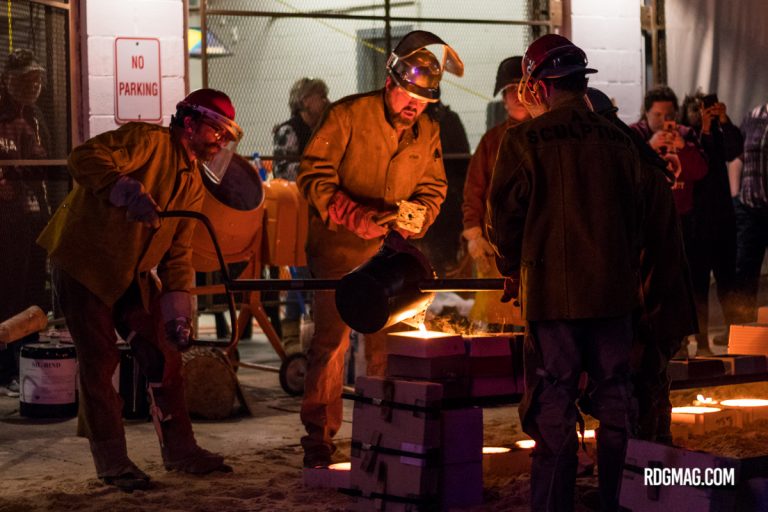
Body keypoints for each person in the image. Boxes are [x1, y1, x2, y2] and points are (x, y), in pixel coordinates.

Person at [36, 88, 240, 491]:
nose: (219, 142)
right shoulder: (146, 143)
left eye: (224, 135)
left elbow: (178, 254)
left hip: (132, 273)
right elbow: (82, 158)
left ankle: (181, 450)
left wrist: (177, 314)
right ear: (189, 123)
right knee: (100, 362)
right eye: (216, 131)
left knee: (164, 355)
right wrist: (126, 189)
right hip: (86, 262)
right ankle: (113, 462)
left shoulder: (192, 182)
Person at [487, 35, 642, 511]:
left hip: (552, 296)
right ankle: (621, 499)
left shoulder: (521, 139)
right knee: (617, 403)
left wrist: (511, 267)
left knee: (552, 406)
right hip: (614, 295)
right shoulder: (620, 139)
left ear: (537, 86)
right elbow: (638, 214)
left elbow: (503, 219)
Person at [296, 30, 462, 468]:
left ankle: (381, 432)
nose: (415, 108)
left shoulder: (427, 130)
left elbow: (434, 186)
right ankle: (318, 438)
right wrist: (355, 216)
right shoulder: (347, 115)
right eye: (409, 98)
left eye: (423, 102)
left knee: (389, 345)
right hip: (339, 249)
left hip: (390, 252)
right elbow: (313, 177)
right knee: (331, 343)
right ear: (390, 84)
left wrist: (419, 215)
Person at [588, 88, 697, 445]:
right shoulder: (638, 160)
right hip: (659, 305)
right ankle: (649, 475)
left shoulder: (632, 171)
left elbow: (630, 248)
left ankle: (642, 479)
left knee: (640, 394)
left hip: (651, 306)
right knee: (650, 391)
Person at [461, 56, 530, 331]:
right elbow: (473, 189)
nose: (518, 96)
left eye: (522, 87)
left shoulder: (545, 137)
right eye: (511, 90)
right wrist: (474, 234)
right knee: (496, 323)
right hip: (494, 250)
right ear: (503, 99)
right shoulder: (492, 141)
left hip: (534, 246)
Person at [0, 49, 52, 393]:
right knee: (7, 292)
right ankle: (4, 371)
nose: (32, 86)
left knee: (33, 293)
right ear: (8, 82)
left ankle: (27, 366)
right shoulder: (2, 117)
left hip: (34, 219)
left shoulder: (36, 118)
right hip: (6, 223)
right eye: (25, 80)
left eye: (36, 80)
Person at [679, 92, 743, 350]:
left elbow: (735, 150)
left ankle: (735, 336)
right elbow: (698, 164)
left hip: (723, 221)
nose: (702, 112)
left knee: (728, 284)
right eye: (698, 109)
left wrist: (724, 121)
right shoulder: (687, 137)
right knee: (698, 287)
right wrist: (704, 128)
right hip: (696, 224)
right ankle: (701, 339)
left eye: (706, 108)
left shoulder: (719, 133)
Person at [270, 77, 330, 352]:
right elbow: (282, 171)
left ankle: (307, 334)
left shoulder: (323, 129)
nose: (326, 101)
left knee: (315, 270)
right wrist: (316, 177)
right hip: (295, 212)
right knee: (300, 271)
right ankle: (293, 338)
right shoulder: (289, 131)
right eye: (321, 96)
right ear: (306, 100)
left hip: (318, 212)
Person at [410, 99, 470, 277]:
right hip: (416, 205)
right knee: (416, 262)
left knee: (439, 264)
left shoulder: (448, 121)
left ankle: (444, 297)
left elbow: (461, 164)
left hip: (446, 206)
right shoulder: (407, 121)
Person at [730, 102, 768, 325]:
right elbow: (738, 157)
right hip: (750, 208)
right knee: (744, 272)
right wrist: (735, 196)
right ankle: (741, 330)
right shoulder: (754, 115)